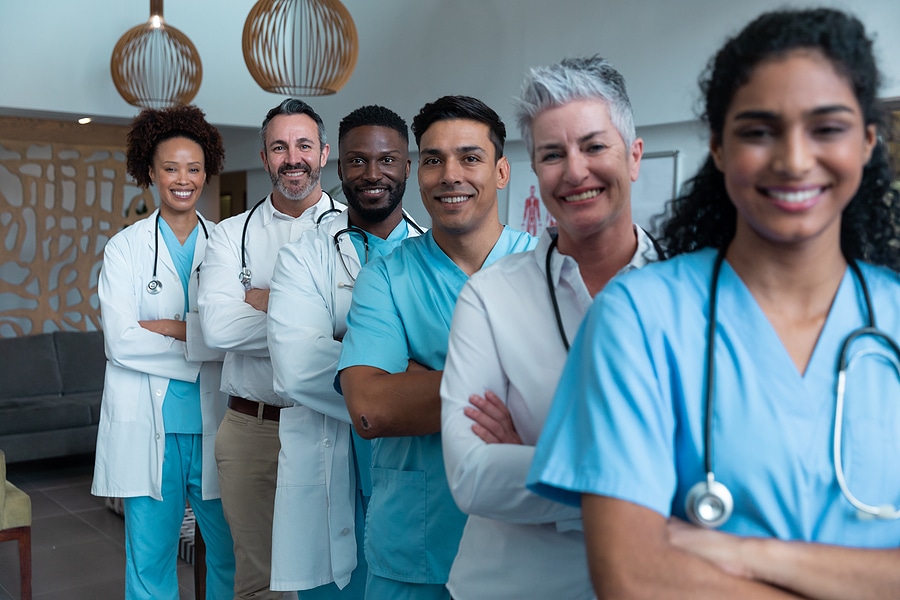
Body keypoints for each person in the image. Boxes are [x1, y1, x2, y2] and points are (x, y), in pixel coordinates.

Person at [528, 8, 900, 599]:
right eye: (758, 130)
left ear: (868, 142)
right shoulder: (638, 318)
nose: (794, 160)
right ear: (719, 149)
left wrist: (748, 553)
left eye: (827, 128)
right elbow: (634, 579)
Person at [440, 56, 660, 600]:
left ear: (634, 156)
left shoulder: (693, 295)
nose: (576, 170)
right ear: (536, 172)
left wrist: (537, 461)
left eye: (594, 146)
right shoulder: (491, 298)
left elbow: (719, 468)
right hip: (512, 586)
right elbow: (471, 475)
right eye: (553, 154)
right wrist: (640, 482)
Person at [337, 96, 536, 599]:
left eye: (470, 157)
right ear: (417, 171)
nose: (450, 174)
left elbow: (582, 404)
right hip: (416, 544)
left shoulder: (548, 269)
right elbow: (371, 410)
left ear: (502, 170)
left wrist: (415, 377)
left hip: (527, 541)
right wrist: (520, 381)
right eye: (432, 159)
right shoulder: (386, 273)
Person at [267, 105, 423, 598]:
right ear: (339, 168)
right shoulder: (303, 256)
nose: (372, 173)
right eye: (357, 161)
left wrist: (352, 353)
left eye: (387, 160)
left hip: (414, 467)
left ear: (407, 167)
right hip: (332, 463)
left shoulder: (435, 253)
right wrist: (409, 375)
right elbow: (295, 366)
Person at [198, 98, 345, 600]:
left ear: (324, 153)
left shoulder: (357, 229)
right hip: (249, 429)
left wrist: (262, 301)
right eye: (279, 147)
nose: (293, 157)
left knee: (333, 571)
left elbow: (369, 330)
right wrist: (317, 317)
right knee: (257, 580)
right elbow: (217, 329)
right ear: (264, 158)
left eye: (304, 145)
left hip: (329, 424)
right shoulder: (229, 234)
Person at [92, 105, 235, 599]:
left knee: (229, 559)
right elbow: (122, 342)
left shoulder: (227, 244)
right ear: (150, 172)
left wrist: (174, 329)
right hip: (147, 431)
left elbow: (242, 333)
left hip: (218, 428)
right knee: (149, 563)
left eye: (193, 169)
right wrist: (206, 344)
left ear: (205, 173)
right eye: (170, 168)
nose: (183, 179)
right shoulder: (125, 249)